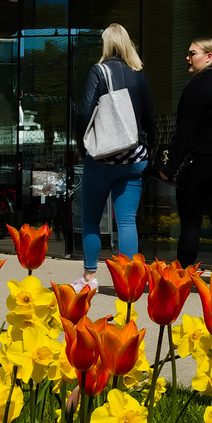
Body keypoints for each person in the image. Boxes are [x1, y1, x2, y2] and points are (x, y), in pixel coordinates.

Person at [70, 23, 156, 294]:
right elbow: (149, 118)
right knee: (127, 220)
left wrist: (82, 146)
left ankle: (89, 277)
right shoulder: (139, 75)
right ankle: (129, 281)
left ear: (106, 44)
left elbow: (85, 111)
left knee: (91, 219)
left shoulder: (99, 71)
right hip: (134, 157)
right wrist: (147, 149)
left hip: (102, 159)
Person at [158, 37, 212, 268]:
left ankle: (183, 276)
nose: (187, 58)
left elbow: (185, 132)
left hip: (200, 163)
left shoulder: (197, 86)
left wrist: (169, 166)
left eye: (192, 53)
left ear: (209, 56)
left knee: (190, 223)